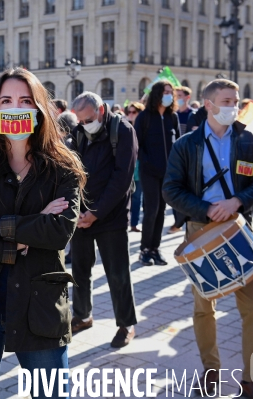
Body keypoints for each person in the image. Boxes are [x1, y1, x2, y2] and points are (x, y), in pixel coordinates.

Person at [0, 68, 87, 399]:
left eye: (25, 100)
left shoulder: (63, 169)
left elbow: (58, 233)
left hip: (39, 307)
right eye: (7, 100)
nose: (16, 108)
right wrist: (24, 234)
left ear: (40, 109)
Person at [163, 79, 253, 399]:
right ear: (208, 105)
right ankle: (211, 370)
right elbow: (171, 189)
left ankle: (252, 380)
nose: (233, 107)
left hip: (239, 228)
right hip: (201, 229)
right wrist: (206, 208)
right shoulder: (187, 144)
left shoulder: (249, 140)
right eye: (226, 101)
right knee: (203, 307)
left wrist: (237, 202)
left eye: (235, 100)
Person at [66, 92, 138, 347]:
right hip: (82, 217)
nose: (85, 125)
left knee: (117, 274)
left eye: (88, 119)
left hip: (112, 216)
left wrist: (97, 213)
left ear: (102, 110)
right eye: (81, 121)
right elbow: (72, 173)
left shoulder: (123, 131)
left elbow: (122, 178)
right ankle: (82, 315)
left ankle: (125, 324)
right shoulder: (78, 132)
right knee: (80, 271)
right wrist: (79, 212)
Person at [135, 80, 180, 265]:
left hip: (168, 173)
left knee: (162, 210)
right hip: (149, 172)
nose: (168, 95)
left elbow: (177, 143)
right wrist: (147, 162)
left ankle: (155, 248)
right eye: (165, 92)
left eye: (171, 92)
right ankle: (144, 249)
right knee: (151, 209)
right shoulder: (144, 117)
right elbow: (137, 144)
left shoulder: (173, 117)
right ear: (157, 94)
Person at [168, 86, 194, 234]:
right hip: (177, 157)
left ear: (187, 97)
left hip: (190, 157)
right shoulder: (173, 115)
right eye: (175, 95)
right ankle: (178, 222)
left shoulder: (193, 115)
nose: (176, 98)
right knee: (175, 189)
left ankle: (187, 219)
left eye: (179, 95)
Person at [126, 101, 145, 232]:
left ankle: (134, 223)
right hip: (127, 167)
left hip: (139, 168)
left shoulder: (143, 127)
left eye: (134, 112)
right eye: (129, 112)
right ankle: (125, 221)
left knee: (137, 197)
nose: (131, 115)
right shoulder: (124, 127)